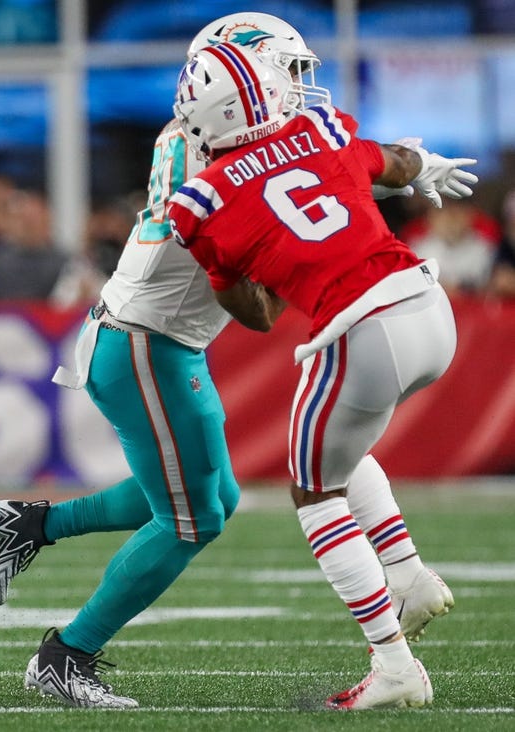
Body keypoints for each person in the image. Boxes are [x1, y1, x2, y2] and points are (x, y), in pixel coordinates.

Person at [0, 12, 459, 710]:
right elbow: (253, 302)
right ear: (240, 90)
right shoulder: (205, 164)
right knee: (192, 519)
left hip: (169, 339)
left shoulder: (224, 142)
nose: (297, 91)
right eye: (285, 75)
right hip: (143, 339)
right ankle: (64, 655)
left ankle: (32, 525)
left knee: (211, 499)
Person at [166, 41, 477, 709]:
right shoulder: (318, 128)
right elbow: (394, 162)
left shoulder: (198, 202)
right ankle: (409, 574)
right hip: (429, 306)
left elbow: (249, 310)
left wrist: (270, 270)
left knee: (313, 491)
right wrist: (423, 165)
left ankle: (394, 663)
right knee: (340, 451)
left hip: (361, 329)